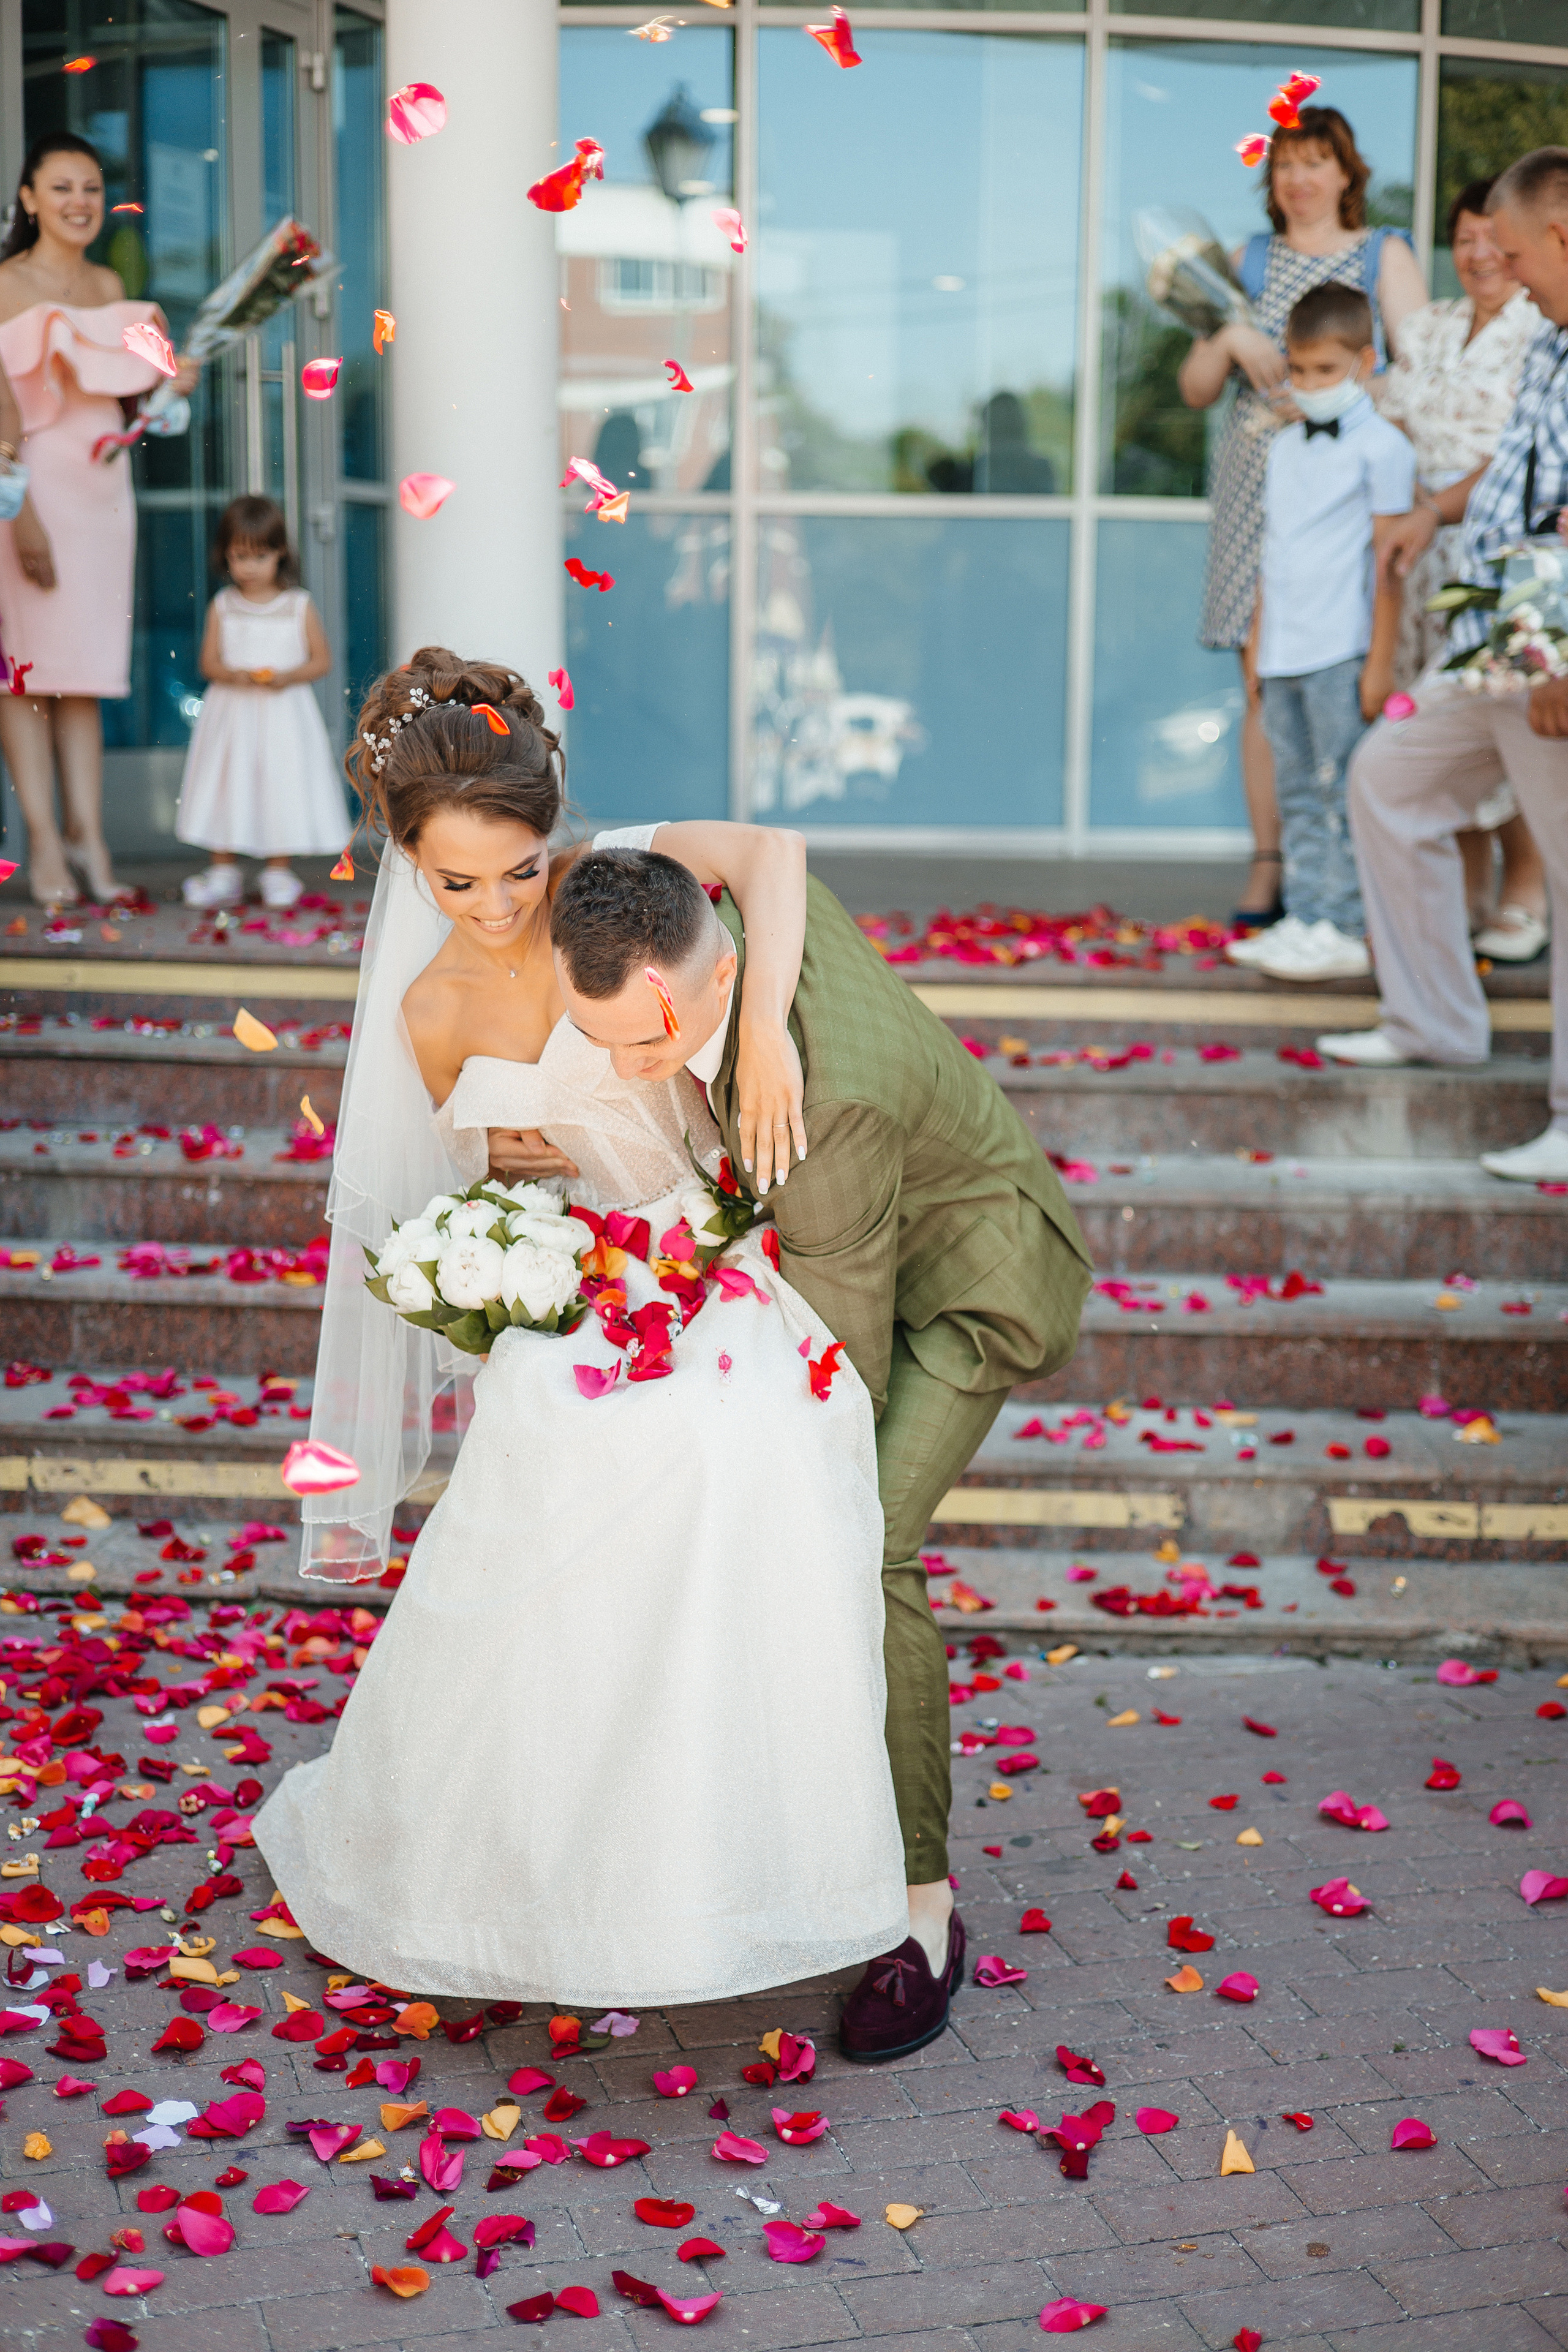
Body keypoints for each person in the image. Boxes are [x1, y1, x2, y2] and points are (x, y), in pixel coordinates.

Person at [253, 649, 910, 2008]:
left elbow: (772, 853)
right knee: (555, 1439)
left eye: (516, 866)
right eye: (457, 882)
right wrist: (514, 1237)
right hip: (573, 1282)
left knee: (745, 1450)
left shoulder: (606, 889)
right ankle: (538, 1868)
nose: (500, 906)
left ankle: (730, 1849)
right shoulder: (429, 1009)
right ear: (405, 865)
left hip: (701, 1250)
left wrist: (767, 1029)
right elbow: (493, 1186)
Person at [548, 844, 1094, 2060]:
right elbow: (754, 841)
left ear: (693, 984)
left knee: (862, 1549)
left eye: (638, 1048)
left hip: (971, 1290)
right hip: (867, 1232)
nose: (621, 1073)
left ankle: (920, 1919)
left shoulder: (818, 1111)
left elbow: (830, 1389)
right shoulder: (714, 903)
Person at [1321, 148, 1568, 1187]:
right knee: (1390, 776)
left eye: (1512, 251)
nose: (1501, 267)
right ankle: (1434, 1022)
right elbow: (1516, 482)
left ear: (1559, 236)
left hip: (1551, 646)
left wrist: (1562, 656)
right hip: (1499, 637)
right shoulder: (1554, 347)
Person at [1178, 105, 1427, 930]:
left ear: (1347, 174)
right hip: (1260, 483)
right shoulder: (1245, 261)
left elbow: (1421, 372)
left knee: (1346, 677)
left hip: (1346, 487)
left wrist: (1338, 397)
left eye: (1316, 161)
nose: (1299, 178)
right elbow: (1196, 388)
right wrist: (1232, 344)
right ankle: (1272, 866)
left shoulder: (1382, 252)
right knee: (1263, 683)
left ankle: (1351, 884)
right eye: (1285, 164)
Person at [0, 132, 198, 905]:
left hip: (105, 493)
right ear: (29, 199)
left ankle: (92, 845)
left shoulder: (113, 280)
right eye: (61, 188)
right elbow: (1, 410)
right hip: (30, 489)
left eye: (90, 188)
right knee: (24, 678)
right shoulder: (4, 283)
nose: (79, 202)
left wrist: (177, 387)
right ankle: (44, 845)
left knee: (82, 679)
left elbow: (140, 406)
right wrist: (17, 515)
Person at [1377, 177, 1548, 964]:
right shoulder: (1447, 328)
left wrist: (1434, 507)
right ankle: (1458, 926)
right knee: (1414, 766)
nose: (1487, 258)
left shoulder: (1541, 327)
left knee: (1519, 768)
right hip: (1442, 581)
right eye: (1470, 240)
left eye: (1501, 244)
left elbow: (1521, 476)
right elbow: (1385, 410)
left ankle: (1526, 895)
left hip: (1519, 594)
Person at [1224, 284, 1414, 982]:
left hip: (1342, 647)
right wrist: (1257, 643)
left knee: (1343, 790)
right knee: (1297, 789)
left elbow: (1389, 564)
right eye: (1297, 371)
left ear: (1365, 362)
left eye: (1324, 372)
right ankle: (1306, 917)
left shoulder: (1384, 449)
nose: (1307, 386)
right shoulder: (1284, 452)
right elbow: (1273, 555)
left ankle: (1346, 923)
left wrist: (1380, 662)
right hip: (1283, 650)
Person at [175, 495, 347, 910]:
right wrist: (236, 674)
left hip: (284, 713)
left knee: (280, 783)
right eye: (240, 556)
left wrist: (286, 676)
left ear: (280, 553)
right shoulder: (223, 605)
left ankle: (277, 869)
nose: (249, 566)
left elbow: (321, 660)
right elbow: (208, 662)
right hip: (232, 713)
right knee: (227, 781)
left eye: (260, 555)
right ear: (226, 555)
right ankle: (223, 870)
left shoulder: (298, 605)